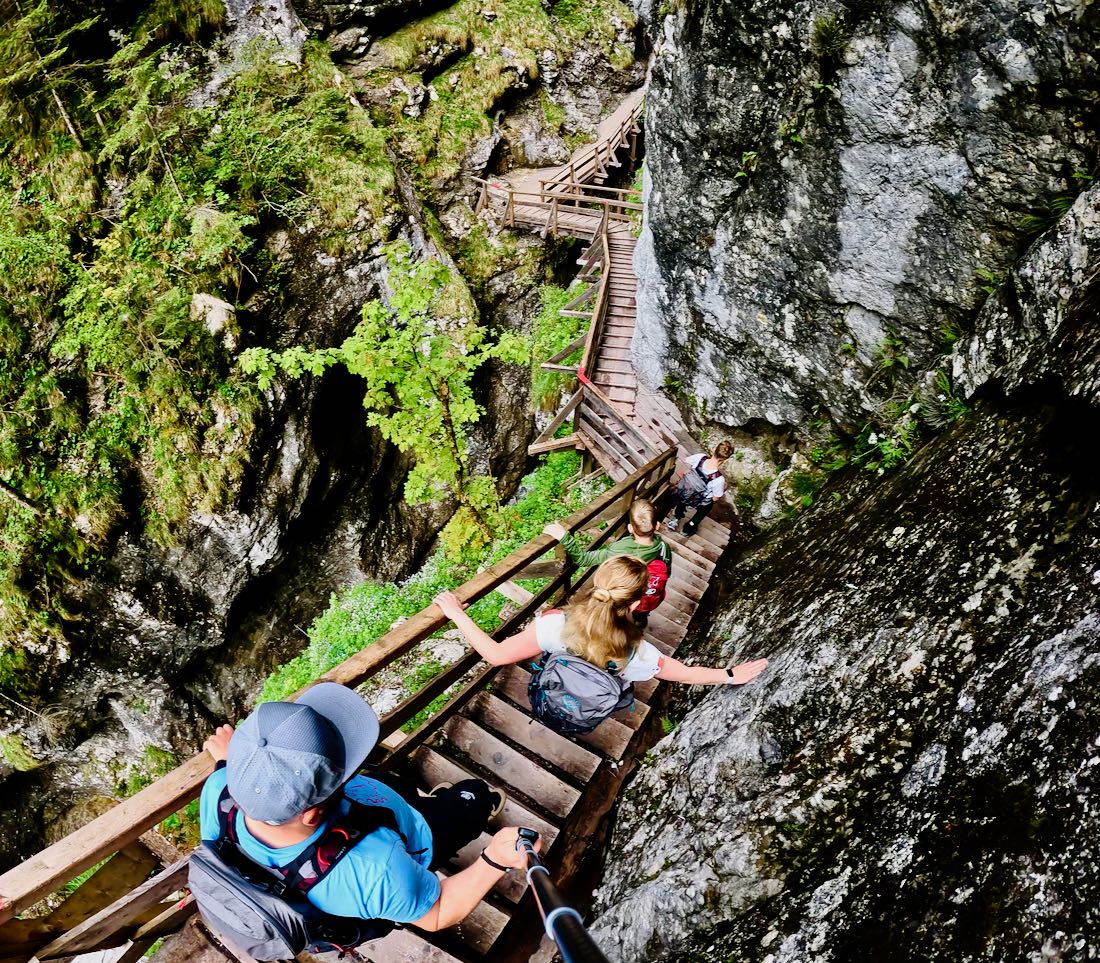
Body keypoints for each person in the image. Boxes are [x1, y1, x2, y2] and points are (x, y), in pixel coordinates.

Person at [198, 682, 537, 934]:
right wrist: (495, 859)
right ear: (312, 814)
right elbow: (437, 913)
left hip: (376, 813)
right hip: (416, 838)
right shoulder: (376, 869)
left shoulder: (220, 790)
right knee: (470, 799)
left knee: (401, 788)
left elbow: (232, 781)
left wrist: (240, 760)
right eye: (342, 771)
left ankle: (432, 802)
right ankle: (479, 805)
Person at [434, 555, 767, 693]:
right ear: (635, 604)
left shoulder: (554, 624)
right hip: (593, 695)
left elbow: (495, 655)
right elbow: (683, 673)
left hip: (557, 684)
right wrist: (728, 675)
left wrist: (457, 613)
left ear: (597, 585)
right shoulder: (636, 652)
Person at [543, 498, 672, 627]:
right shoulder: (664, 548)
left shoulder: (619, 550)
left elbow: (583, 559)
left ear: (630, 528)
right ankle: (640, 620)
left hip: (623, 599)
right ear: (657, 526)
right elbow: (667, 573)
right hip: (649, 598)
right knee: (640, 611)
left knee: (619, 616)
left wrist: (565, 538)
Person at [666, 441, 733, 536]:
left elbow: (686, 461)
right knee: (707, 507)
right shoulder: (719, 479)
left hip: (686, 490)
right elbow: (715, 498)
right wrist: (723, 489)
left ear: (714, 449)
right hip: (699, 500)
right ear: (725, 460)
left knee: (684, 497)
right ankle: (689, 527)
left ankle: (675, 518)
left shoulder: (700, 457)